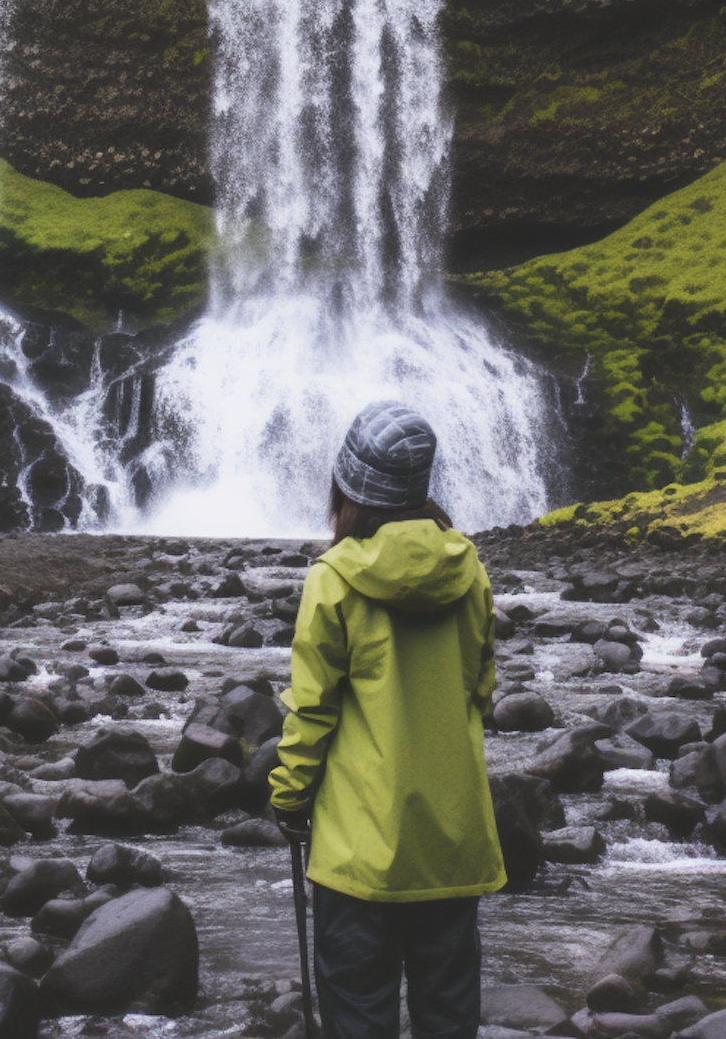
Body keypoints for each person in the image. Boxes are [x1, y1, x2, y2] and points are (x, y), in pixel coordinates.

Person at [269, 399, 506, 1039]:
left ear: (347, 488)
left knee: (358, 1017)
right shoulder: (469, 568)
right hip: (452, 844)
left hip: (359, 855)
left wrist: (290, 799)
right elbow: (480, 690)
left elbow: (311, 710)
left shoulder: (334, 579)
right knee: (449, 1019)